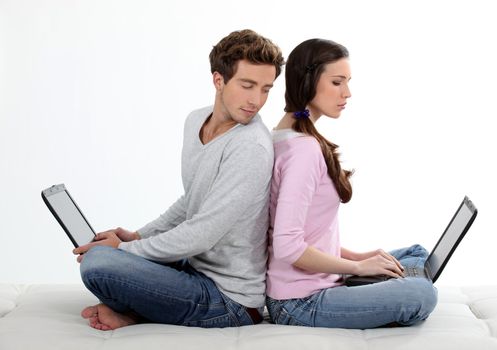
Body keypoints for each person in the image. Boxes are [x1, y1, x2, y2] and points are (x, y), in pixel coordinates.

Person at [72, 29, 284, 330]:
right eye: (247, 85)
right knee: (108, 257)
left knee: (100, 265)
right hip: (193, 267)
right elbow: (191, 201)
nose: (256, 100)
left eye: (266, 89)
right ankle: (137, 311)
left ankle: (137, 310)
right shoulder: (196, 120)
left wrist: (121, 252)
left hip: (230, 300)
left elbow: (202, 234)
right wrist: (137, 236)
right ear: (218, 80)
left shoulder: (251, 146)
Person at [265, 38, 438, 329]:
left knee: (417, 254)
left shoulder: (283, 136)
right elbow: (287, 247)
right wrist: (357, 267)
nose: (347, 92)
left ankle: (384, 280)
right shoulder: (303, 150)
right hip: (300, 301)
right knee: (421, 294)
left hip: (318, 280)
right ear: (308, 82)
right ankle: (387, 285)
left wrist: (359, 256)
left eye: (348, 82)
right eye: (337, 82)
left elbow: (308, 233)